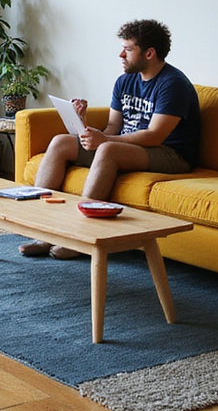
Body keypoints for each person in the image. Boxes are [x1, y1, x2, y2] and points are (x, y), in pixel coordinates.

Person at [23, 19, 201, 259]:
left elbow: (154, 135)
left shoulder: (173, 84)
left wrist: (104, 141)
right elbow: (113, 128)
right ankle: (44, 231)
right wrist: (84, 125)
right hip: (131, 147)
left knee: (108, 150)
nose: (121, 55)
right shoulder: (125, 81)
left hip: (171, 153)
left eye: (128, 49)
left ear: (149, 53)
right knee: (61, 142)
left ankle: (81, 237)